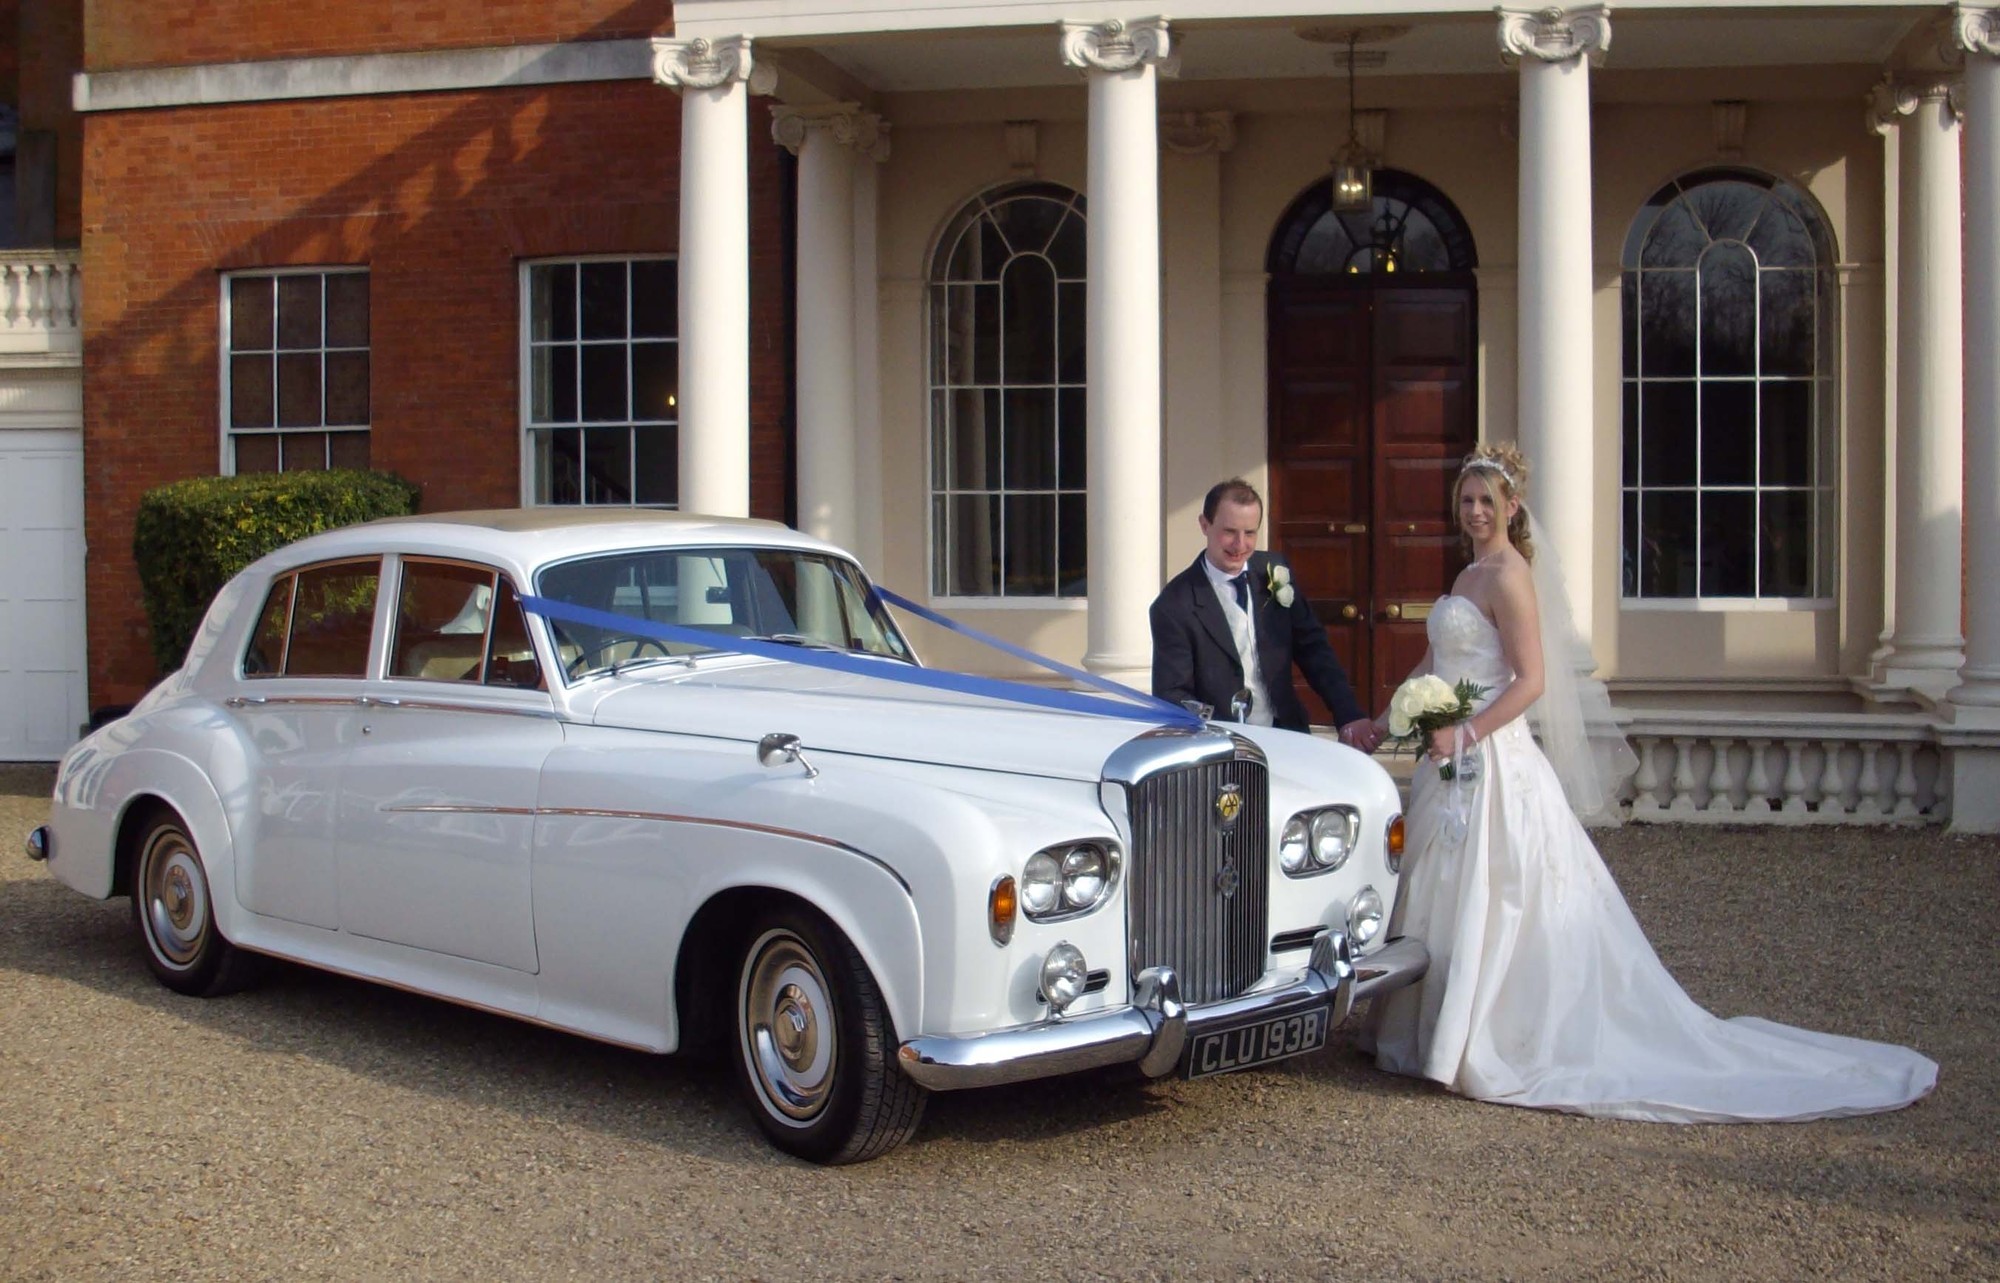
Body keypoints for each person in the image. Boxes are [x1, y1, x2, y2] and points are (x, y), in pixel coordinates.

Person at [1367, 444, 1937, 1120]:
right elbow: (1433, 664)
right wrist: (1382, 721)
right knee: (1439, 889)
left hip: (1491, 762)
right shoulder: (1467, 574)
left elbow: (1532, 680)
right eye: (1466, 499)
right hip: (1448, 765)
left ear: (1512, 506)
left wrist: (1466, 732)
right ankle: (1430, 1033)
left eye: (1487, 500)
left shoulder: (1511, 576)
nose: (1475, 511)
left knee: (1499, 893)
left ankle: (1488, 1038)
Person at [1149, 478, 1382, 751]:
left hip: (1288, 735)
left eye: (1250, 533)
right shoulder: (1174, 605)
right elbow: (1173, 694)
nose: (1240, 544)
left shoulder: (1274, 568)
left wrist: (1348, 714)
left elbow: (1314, 650)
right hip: (1220, 748)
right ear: (1204, 525)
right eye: (1229, 532)